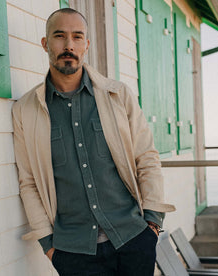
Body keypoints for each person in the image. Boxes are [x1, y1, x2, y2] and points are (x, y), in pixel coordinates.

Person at [12, 8, 175, 276]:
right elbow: (28, 182)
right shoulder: (25, 111)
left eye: (77, 37)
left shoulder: (118, 96)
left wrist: (152, 225)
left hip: (133, 239)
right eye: (59, 36)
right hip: (73, 253)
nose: (68, 45)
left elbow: (146, 157)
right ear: (45, 43)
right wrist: (48, 245)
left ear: (86, 44)